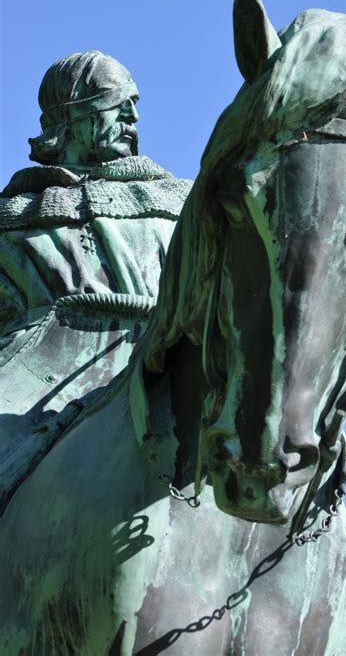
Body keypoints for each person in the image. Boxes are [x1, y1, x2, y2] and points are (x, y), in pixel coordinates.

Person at [0, 51, 190, 510]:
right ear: (66, 116)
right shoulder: (12, 218)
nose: (132, 114)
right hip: (31, 378)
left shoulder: (181, 203)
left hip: (169, 361)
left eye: (135, 102)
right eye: (114, 100)